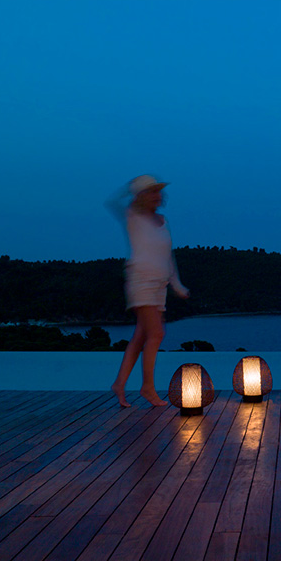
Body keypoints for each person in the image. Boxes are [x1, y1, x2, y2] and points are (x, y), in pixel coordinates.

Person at [106, 174, 190, 407]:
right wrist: (132, 187)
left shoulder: (162, 221)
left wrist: (177, 285)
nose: (157, 195)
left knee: (141, 336)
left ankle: (119, 384)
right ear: (141, 195)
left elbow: (168, 257)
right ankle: (147, 388)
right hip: (141, 281)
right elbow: (112, 202)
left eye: (158, 191)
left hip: (159, 285)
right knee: (157, 334)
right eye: (152, 191)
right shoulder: (133, 216)